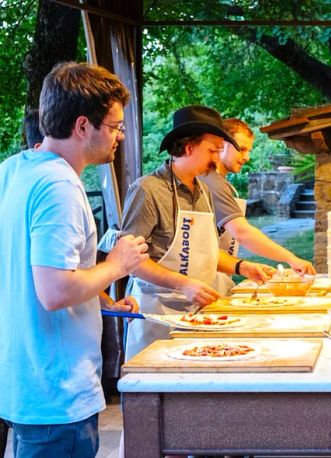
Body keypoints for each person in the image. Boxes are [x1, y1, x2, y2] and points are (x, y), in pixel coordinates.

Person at [0, 61, 148, 457]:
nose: (119, 136)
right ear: (83, 126)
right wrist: (118, 264)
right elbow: (53, 290)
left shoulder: (14, 171)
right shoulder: (60, 185)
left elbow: (31, 272)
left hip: (23, 378)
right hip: (57, 391)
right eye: (115, 126)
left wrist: (102, 297)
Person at [120, 105, 275, 361]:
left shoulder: (203, 190)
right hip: (157, 314)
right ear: (189, 147)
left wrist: (242, 267)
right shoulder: (147, 190)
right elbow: (130, 263)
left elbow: (205, 254)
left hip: (197, 311)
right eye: (212, 150)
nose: (216, 158)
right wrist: (184, 284)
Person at [200, 118, 316, 294]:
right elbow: (243, 233)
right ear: (221, 144)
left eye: (249, 150)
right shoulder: (212, 182)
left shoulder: (220, 183)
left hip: (217, 279)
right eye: (242, 149)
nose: (246, 157)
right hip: (200, 285)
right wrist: (292, 259)